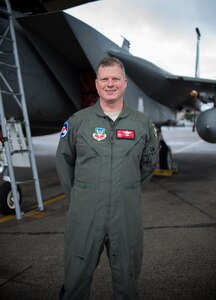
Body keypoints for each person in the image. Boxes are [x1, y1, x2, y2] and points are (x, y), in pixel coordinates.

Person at [56, 57, 159, 300]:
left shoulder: (143, 124)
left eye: (115, 79)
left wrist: (127, 187)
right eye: (104, 79)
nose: (110, 84)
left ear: (124, 83)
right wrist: (81, 198)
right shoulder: (78, 122)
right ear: (96, 83)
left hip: (125, 216)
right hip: (84, 217)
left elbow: (150, 164)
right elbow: (64, 162)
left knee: (127, 285)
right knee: (75, 285)